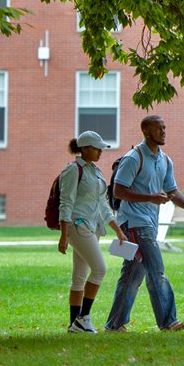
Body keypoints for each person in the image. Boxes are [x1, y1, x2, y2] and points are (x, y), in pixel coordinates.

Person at [104, 115, 184, 333]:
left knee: (131, 276)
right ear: (147, 132)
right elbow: (118, 191)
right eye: (159, 128)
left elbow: (172, 191)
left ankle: (114, 324)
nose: (164, 131)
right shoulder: (133, 158)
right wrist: (149, 197)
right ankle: (168, 322)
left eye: (164, 128)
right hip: (134, 223)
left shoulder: (165, 161)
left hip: (149, 222)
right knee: (156, 271)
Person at [57, 130, 127, 333]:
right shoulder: (72, 170)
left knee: (79, 276)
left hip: (93, 226)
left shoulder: (95, 171)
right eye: (97, 148)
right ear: (85, 148)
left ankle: (74, 325)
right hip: (77, 225)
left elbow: (104, 206)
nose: (100, 152)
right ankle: (83, 318)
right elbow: (66, 203)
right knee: (100, 269)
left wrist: (117, 230)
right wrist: (63, 235)